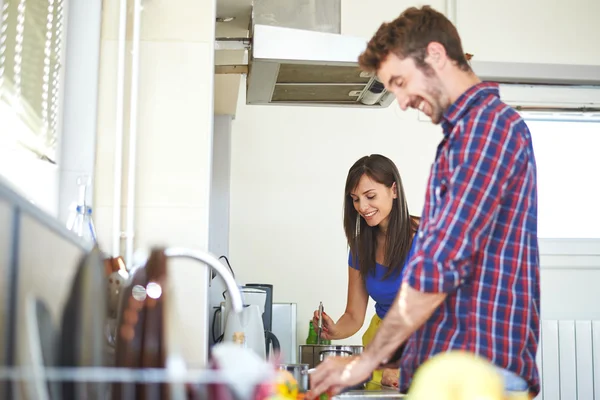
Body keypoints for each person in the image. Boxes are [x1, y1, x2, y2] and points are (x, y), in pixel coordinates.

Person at [307, 5, 540, 400]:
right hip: (455, 366)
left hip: (475, 368)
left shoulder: (484, 131)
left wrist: (365, 360)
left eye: (400, 81)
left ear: (434, 55)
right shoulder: (462, 139)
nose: (401, 101)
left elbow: (440, 266)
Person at [312, 154, 419, 388]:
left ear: (394, 190)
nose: (362, 207)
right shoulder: (361, 248)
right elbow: (354, 315)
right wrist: (334, 330)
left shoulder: (428, 238)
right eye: (355, 199)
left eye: (370, 196)